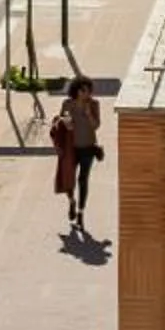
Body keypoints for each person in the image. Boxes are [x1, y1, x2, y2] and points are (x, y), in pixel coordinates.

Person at [61, 73, 102, 226]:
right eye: (85, 90)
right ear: (77, 91)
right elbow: (61, 123)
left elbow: (96, 125)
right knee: (69, 180)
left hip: (88, 148)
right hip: (71, 148)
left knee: (83, 180)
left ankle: (80, 211)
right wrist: (66, 123)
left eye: (90, 91)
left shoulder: (94, 104)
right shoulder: (67, 104)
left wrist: (88, 114)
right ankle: (71, 201)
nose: (88, 94)